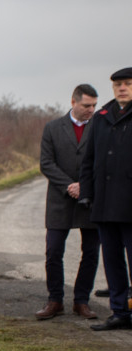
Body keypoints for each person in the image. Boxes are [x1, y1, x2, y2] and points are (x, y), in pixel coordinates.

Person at [35, 84, 100, 321]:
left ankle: (81, 301)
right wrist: (69, 185)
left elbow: (102, 161)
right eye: (86, 105)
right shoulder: (53, 128)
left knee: (91, 252)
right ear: (73, 102)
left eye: (94, 105)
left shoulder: (99, 126)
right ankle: (55, 300)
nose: (91, 110)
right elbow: (46, 163)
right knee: (53, 251)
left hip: (90, 199)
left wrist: (85, 185)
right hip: (60, 199)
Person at [80, 68, 132, 331]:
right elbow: (89, 159)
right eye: (118, 84)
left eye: (127, 83)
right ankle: (120, 311)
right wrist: (87, 193)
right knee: (112, 261)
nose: (122, 88)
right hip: (104, 203)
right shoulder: (101, 118)